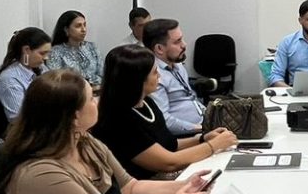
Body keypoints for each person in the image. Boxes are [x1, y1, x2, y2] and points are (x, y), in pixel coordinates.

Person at [0, 69, 211, 194]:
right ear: (74, 117)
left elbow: (129, 189)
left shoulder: (84, 141)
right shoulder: (39, 173)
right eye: (91, 98)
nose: (98, 101)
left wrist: (183, 187)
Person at [93, 44, 238, 179]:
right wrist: (213, 146)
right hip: (146, 184)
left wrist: (202, 139)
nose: (159, 76)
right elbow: (168, 163)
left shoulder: (147, 102)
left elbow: (169, 144)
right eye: (155, 73)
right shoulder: (118, 120)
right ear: (138, 79)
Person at [143, 18, 205, 135]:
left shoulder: (177, 65)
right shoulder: (154, 76)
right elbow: (164, 120)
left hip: (202, 123)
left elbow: (190, 98)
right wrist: (201, 128)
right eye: (177, 42)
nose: (184, 45)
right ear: (159, 49)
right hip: (188, 135)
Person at [0, 26, 51, 121]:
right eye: (42, 53)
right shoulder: (9, 79)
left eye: (47, 53)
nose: (46, 58)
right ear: (26, 50)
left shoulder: (41, 68)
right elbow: (19, 119)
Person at [43, 9, 102, 89]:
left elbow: (102, 74)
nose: (83, 29)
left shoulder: (92, 47)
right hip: (70, 93)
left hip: (97, 90)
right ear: (66, 29)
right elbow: (55, 79)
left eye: (84, 25)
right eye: (78, 26)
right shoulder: (55, 52)